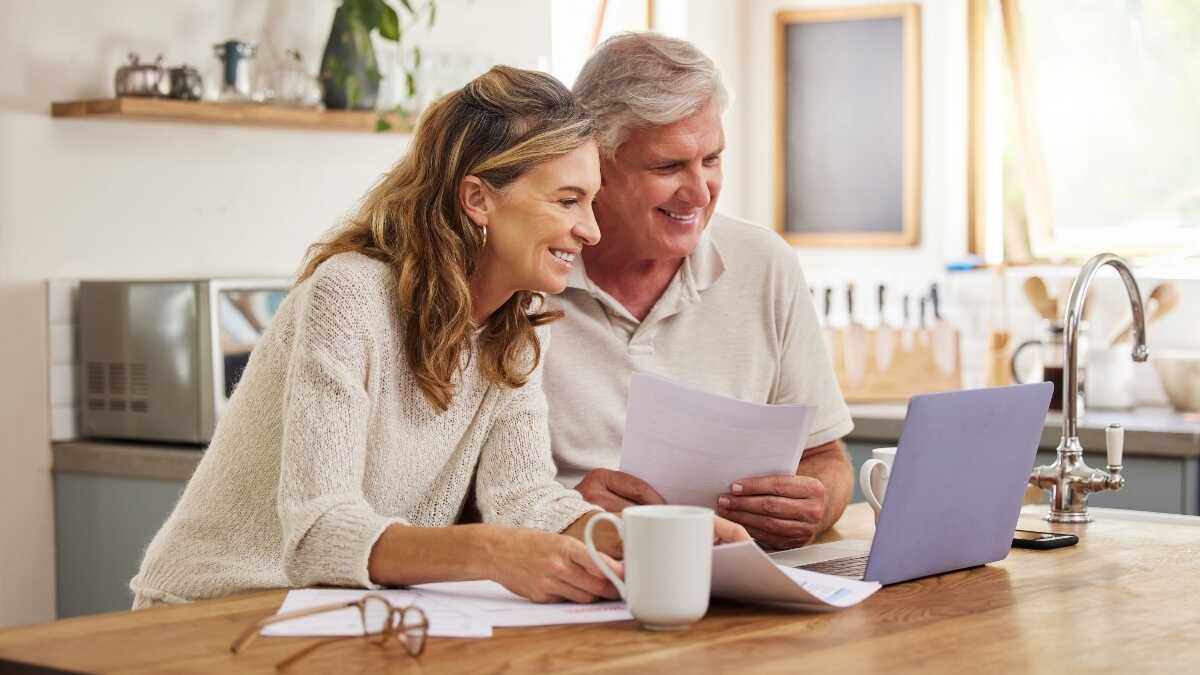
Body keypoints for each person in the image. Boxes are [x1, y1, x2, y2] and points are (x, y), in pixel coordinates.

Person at [133, 65, 642, 609]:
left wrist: (658, 538)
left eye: (590, 202)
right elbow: (319, 534)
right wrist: (493, 551)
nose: (591, 230)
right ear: (478, 199)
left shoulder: (517, 325)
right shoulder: (350, 296)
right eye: (567, 201)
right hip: (213, 608)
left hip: (343, 614)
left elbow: (524, 497)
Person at [543, 33, 856, 551]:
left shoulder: (764, 263)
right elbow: (452, 498)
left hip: (738, 588)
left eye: (711, 160)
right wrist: (561, 512)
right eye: (668, 167)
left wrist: (814, 505)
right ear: (595, 162)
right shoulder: (528, 274)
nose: (699, 191)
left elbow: (827, 460)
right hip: (579, 586)